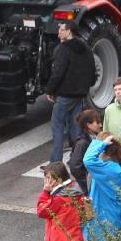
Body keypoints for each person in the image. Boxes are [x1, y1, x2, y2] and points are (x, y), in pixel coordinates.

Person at [46, 22, 94, 162]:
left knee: (57, 126)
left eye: (61, 30)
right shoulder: (85, 47)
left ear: (69, 32)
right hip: (80, 94)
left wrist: (50, 90)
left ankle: (56, 162)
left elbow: (58, 72)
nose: (58, 32)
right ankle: (77, 158)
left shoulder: (64, 49)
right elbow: (92, 67)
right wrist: (87, 85)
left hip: (65, 95)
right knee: (76, 129)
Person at [82, 133, 121, 241]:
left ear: (104, 153)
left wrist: (102, 143)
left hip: (103, 219)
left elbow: (88, 160)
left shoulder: (108, 169)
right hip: (114, 215)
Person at [36, 162, 86, 241]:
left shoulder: (59, 199)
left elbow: (41, 211)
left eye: (48, 178)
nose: (45, 181)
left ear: (57, 180)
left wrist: (45, 192)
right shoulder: (74, 190)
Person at [67, 109, 102, 193]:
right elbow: (75, 167)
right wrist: (89, 182)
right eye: (97, 123)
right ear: (88, 125)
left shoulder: (96, 137)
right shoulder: (82, 144)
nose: (100, 125)